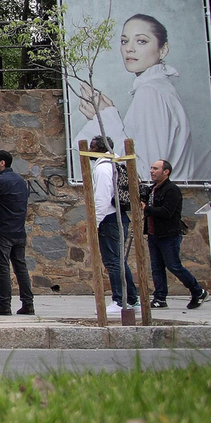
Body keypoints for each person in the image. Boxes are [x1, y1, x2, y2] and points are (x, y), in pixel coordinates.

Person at [73, 13, 203, 180]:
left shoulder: (151, 93)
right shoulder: (159, 88)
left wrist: (106, 119)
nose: (129, 48)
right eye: (124, 41)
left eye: (141, 41)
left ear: (163, 50)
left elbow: (146, 173)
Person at [143, 158, 206, 310]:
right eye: (151, 168)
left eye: (156, 168)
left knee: (173, 266)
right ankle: (160, 297)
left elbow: (167, 212)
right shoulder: (153, 189)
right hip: (154, 234)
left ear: (166, 172)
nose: (152, 171)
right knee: (156, 267)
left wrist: (146, 208)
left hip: (168, 234)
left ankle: (197, 291)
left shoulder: (172, 190)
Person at [89, 136, 139, 317]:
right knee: (119, 260)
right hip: (119, 217)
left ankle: (120, 300)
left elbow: (101, 198)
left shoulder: (103, 169)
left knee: (113, 261)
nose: (89, 150)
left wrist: (95, 222)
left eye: (92, 147)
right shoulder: (118, 164)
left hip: (109, 219)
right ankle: (131, 298)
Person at [0, 150, 33, 315]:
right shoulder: (21, 181)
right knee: (21, 268)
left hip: (3, 231)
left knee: (2, 268)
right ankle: (28, 304)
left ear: (2, 163)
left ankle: (5, 304)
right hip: (19, 231)